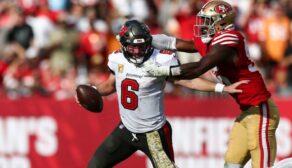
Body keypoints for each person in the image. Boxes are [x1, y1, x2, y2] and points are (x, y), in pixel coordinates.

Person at [145, 0, 292, 168]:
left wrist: (164, 71)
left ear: (220, 23)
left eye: (207, 21)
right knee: (231, 166)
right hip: (246, 112)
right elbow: (182, 44)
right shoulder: (215, 39)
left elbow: (200, 67)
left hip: (260, 111)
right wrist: (149, 39)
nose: (202, 26)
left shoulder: (229, 40)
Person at [75, 20, 247, 168]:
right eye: (133, 48)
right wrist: (94, 91)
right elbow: (111, 84)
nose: (138, 52)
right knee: (95, 165)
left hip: (153, 134)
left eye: (142, 47)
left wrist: (221, 88)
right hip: (127, 129)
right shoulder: (116, 58)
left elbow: (186, 80)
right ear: (124, 46)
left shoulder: (161, 59)